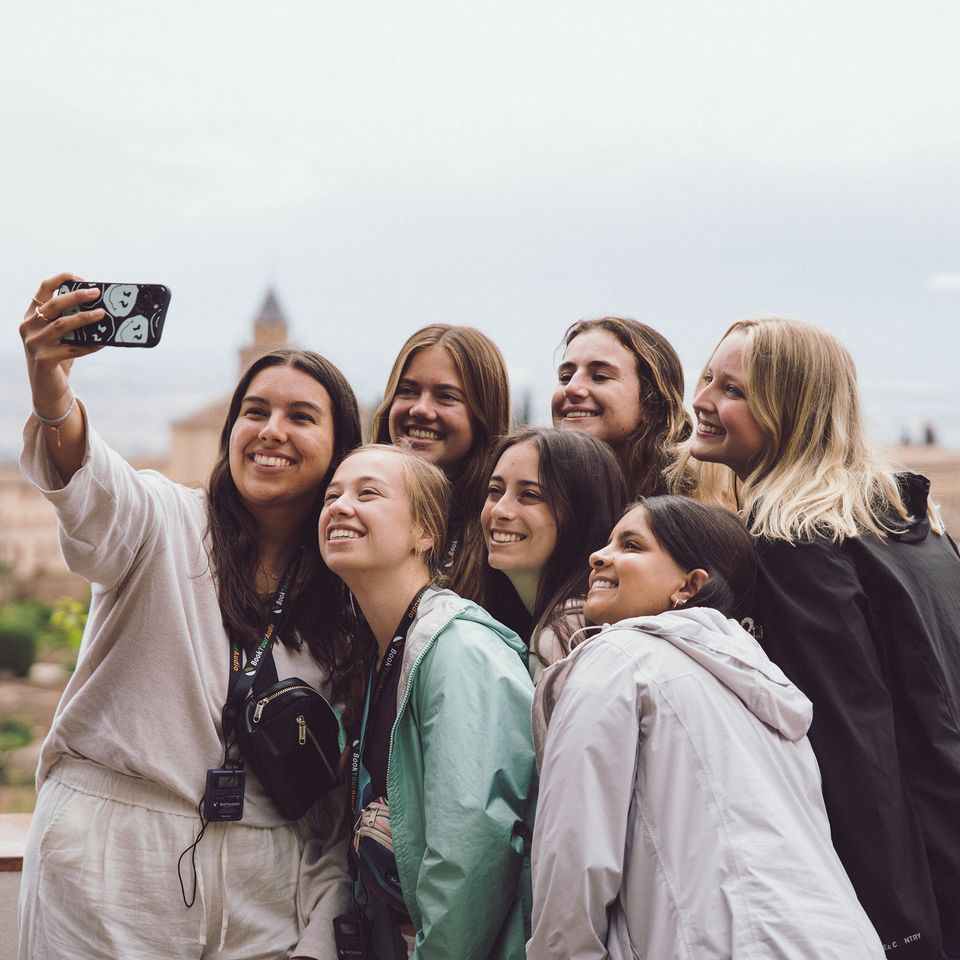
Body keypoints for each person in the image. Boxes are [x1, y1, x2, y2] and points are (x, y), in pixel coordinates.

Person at [18, 274, 362, 960]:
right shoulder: (164, 519)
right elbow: (93, 495)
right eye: (254, 412)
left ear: (340, 446)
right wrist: (54, 396)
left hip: (264, 894)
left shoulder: (346, 596)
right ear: (228, 430)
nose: (271, 431)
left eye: (301, 416)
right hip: (109, 875)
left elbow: (335, 796)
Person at [686, 317, 960, 960]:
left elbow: (849, 744)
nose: (702, 400)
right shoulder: (915, 527)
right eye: (706, 377)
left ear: (791, 411)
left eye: (734, 390)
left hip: (914, 883)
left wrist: (901, 934)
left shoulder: (794, 542)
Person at [528, 496, 886, 960]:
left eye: (631, 545)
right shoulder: (760, 681)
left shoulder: (618, 658)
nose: (598, 556)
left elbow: (573, 850)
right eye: (607, 542)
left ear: (690, 584)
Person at [319, 444, 535, 960]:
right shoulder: (384, 651)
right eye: (332, 495)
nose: (340, 506)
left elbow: (472, 847)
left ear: (426, 533)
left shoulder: (461, 649)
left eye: (367, 493)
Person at [370, 324, 511, 600]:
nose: (420, 408)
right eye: (408, 390)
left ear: (484, 414)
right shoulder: (352, 512)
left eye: (446, 396)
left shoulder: (501, 537)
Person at [479, 427, 627, 679]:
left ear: (581, 515)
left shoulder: (566, 633)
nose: (498, 510)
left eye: (529, 495)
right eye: (495, 491)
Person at [552, 316, 692, 498]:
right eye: (565, 377)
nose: (571, 388)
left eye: (599, 376)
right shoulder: (538, 493)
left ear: (651, 403)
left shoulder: (693, 510)